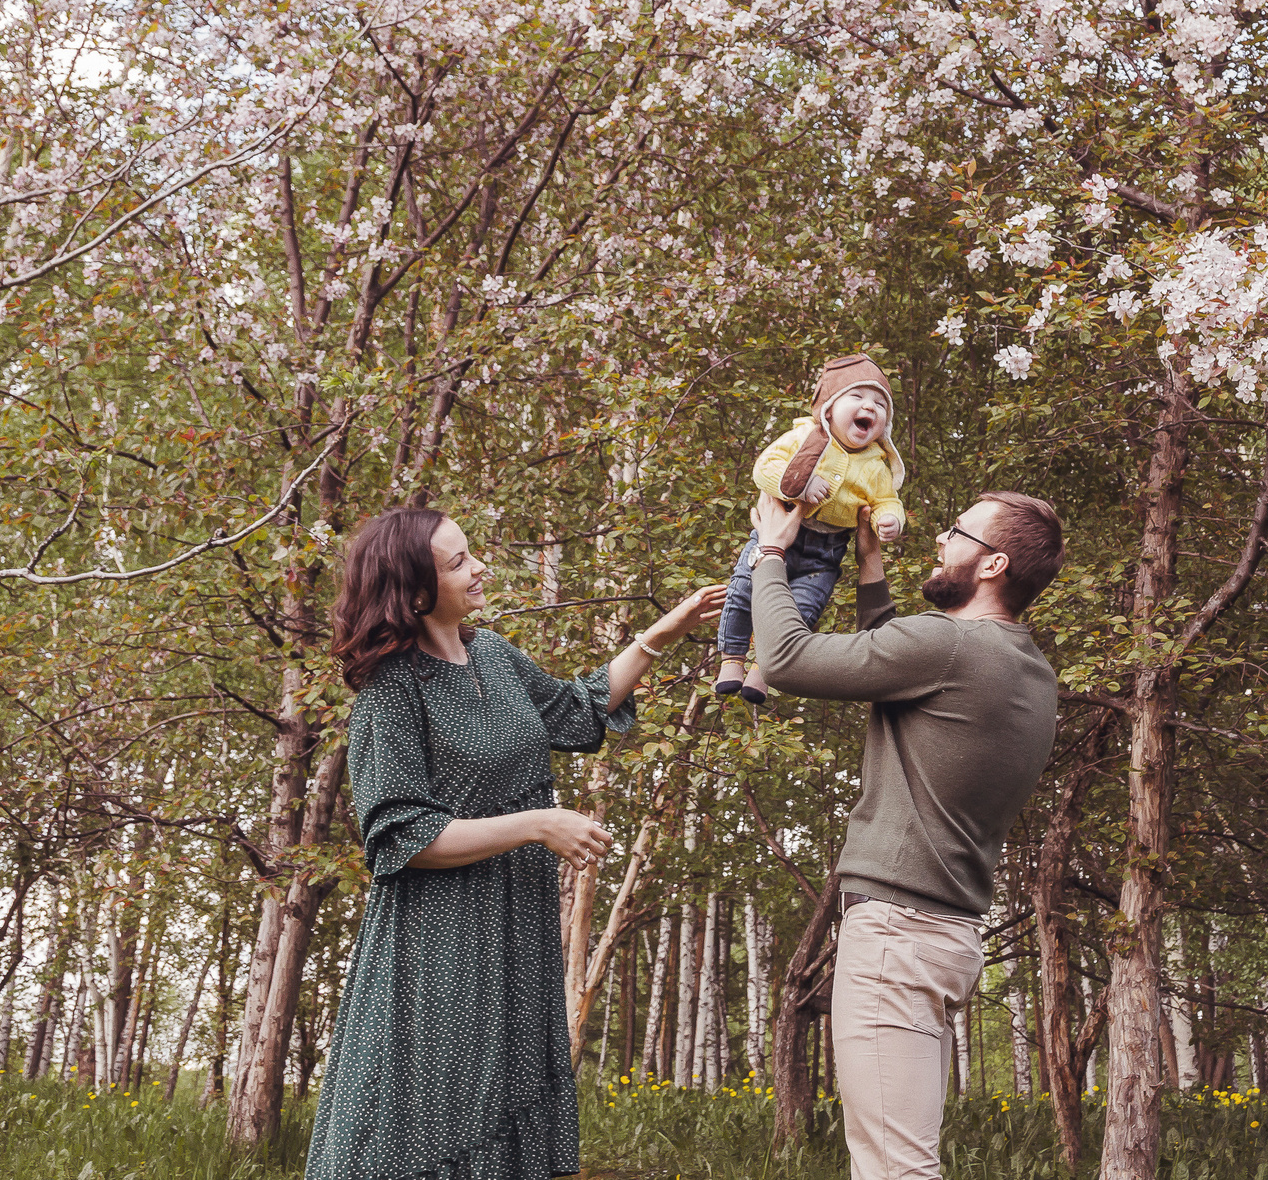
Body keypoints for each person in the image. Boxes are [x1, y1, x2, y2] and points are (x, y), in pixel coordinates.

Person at [305, 506, 720, 1180]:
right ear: (415, 591)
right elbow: (403, 837)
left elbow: (580, 708)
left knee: (504, 1105)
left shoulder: (494, 656)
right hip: (439, 941)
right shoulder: (391, 689)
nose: (481, 569)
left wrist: (662, 632)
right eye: (459, 562)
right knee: (436, 1113)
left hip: (519, 931)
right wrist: (537, 823)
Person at [750, 485, 1064, 1180]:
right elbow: (899, 661)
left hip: (896, 936)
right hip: (943, 936)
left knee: (896, 1169)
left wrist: (770, 552)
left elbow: (787, 658)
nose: (941, 539)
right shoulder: (1027, 669)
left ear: (993, 564)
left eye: (958, 532)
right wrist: (870, 567)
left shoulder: (946, 645)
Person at [715, 352, 911, 704]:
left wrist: (890, 519)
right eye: (857, 396)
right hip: (782, 528)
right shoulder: (804, 436)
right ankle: (731, 659)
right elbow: (765, 468)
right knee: (743, 591)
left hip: (827, 551)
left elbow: (887, 499)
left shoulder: (876, 464)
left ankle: (763, 669)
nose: (870, 406)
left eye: (880, 404)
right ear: (829, 408)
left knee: (803, 608)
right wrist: (800, 483)